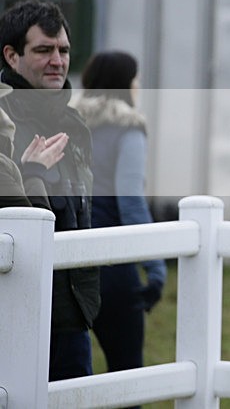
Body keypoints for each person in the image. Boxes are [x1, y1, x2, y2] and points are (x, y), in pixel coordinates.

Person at [0, 0, 99, 380]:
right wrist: (30, 172)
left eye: (64, 50)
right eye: (43, 50)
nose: (57, 60)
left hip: (74, 309)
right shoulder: (3, 119)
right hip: (15, 309)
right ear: (11, 56)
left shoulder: (75, 124)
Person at [74, 51, 166, 391]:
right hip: (112, 270)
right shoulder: (128, 127)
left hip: (67, 265)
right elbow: (130, 203)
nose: (138, 85)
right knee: (126, 381)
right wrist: (155, 269)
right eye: (135, 78)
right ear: (123, 84)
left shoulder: (69, 124)